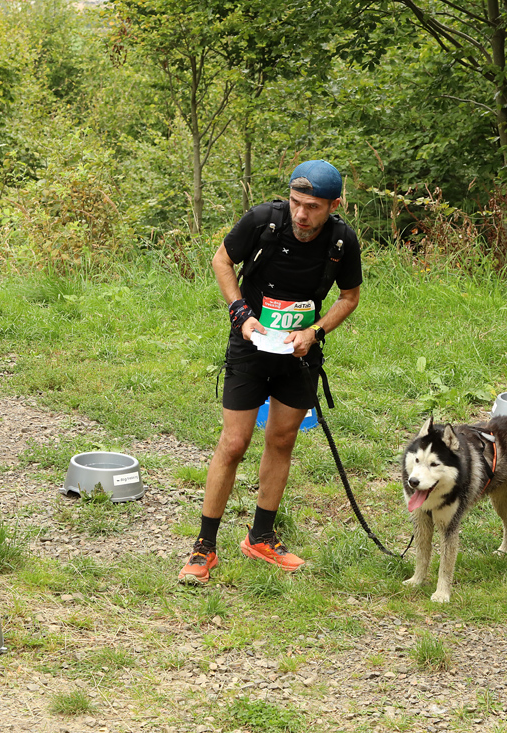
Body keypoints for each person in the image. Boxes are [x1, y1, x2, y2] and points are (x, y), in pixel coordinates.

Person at [178, 160, 363, 584]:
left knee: (281, 439)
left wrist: (314, 332)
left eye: (313, 207)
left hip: (299, 354)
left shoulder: (342, 240)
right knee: (234, 443)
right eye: (296, 203)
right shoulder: (264, 220)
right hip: (250, 346)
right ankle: (204, 546)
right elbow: (222, 260)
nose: (301, 214)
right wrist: (240, 312)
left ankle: (261, 536)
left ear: (334, 205)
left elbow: (349, 296)